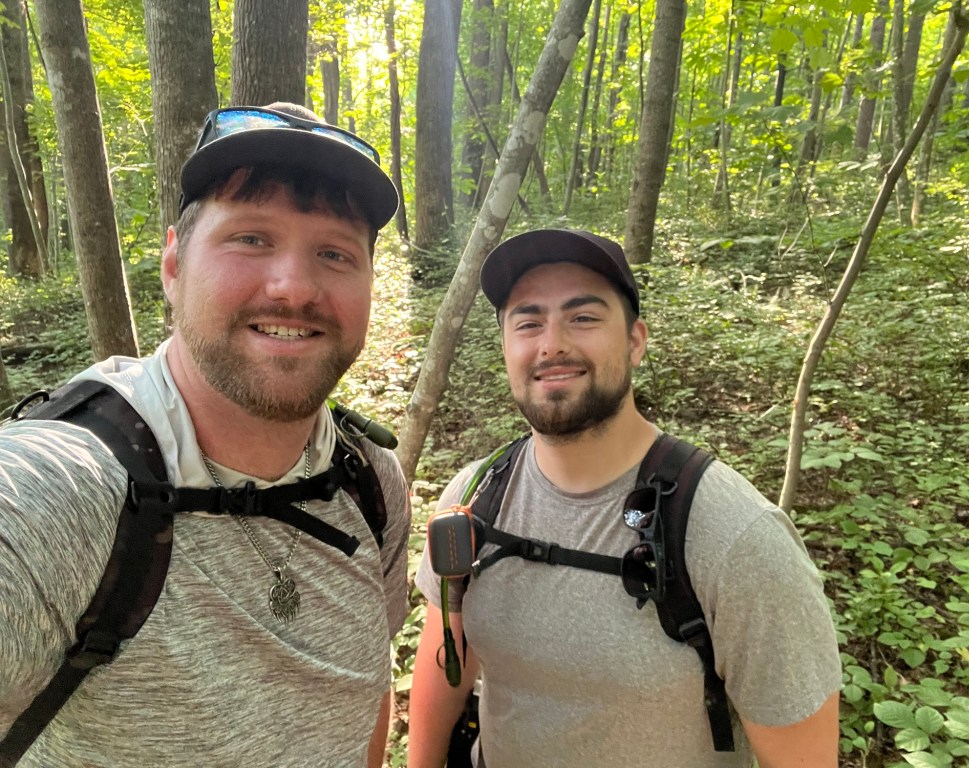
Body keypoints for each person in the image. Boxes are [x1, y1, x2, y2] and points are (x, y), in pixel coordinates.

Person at [0, 103, 411, 767]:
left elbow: (366, 684)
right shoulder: (64, 490)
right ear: (173, 265)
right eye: (251, 238)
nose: (293, 288)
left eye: (334, 252)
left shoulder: (370, 481)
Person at [408, 229, 842, 767]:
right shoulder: (476, 497)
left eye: (583, 317)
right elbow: (444, 665)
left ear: (636, 341)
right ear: (506, 347)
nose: (552, 344)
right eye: (528, 323)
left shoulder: (736, 537)